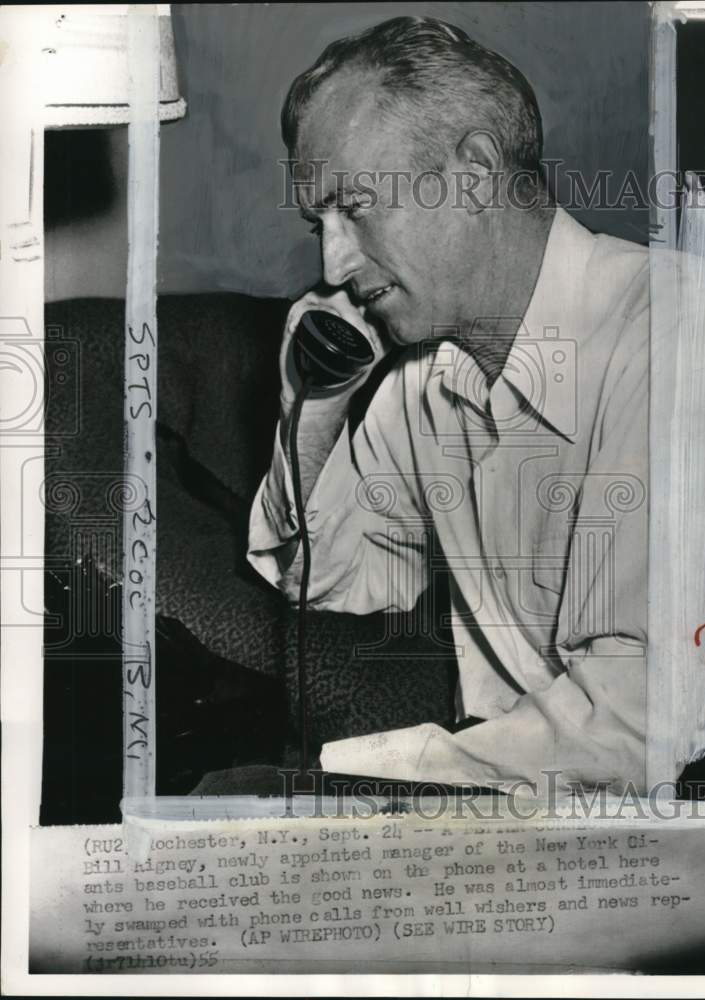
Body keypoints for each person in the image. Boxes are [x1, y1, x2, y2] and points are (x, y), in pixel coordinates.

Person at [248, 16, 651, 793]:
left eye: (355, 206)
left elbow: (639, 730)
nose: (331, 264)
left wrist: (347, 778)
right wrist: (315, 403)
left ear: (472, 174)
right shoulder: (425, 376)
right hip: (512, 808)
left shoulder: (675, 345)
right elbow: (327, 579)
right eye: (318, 224)